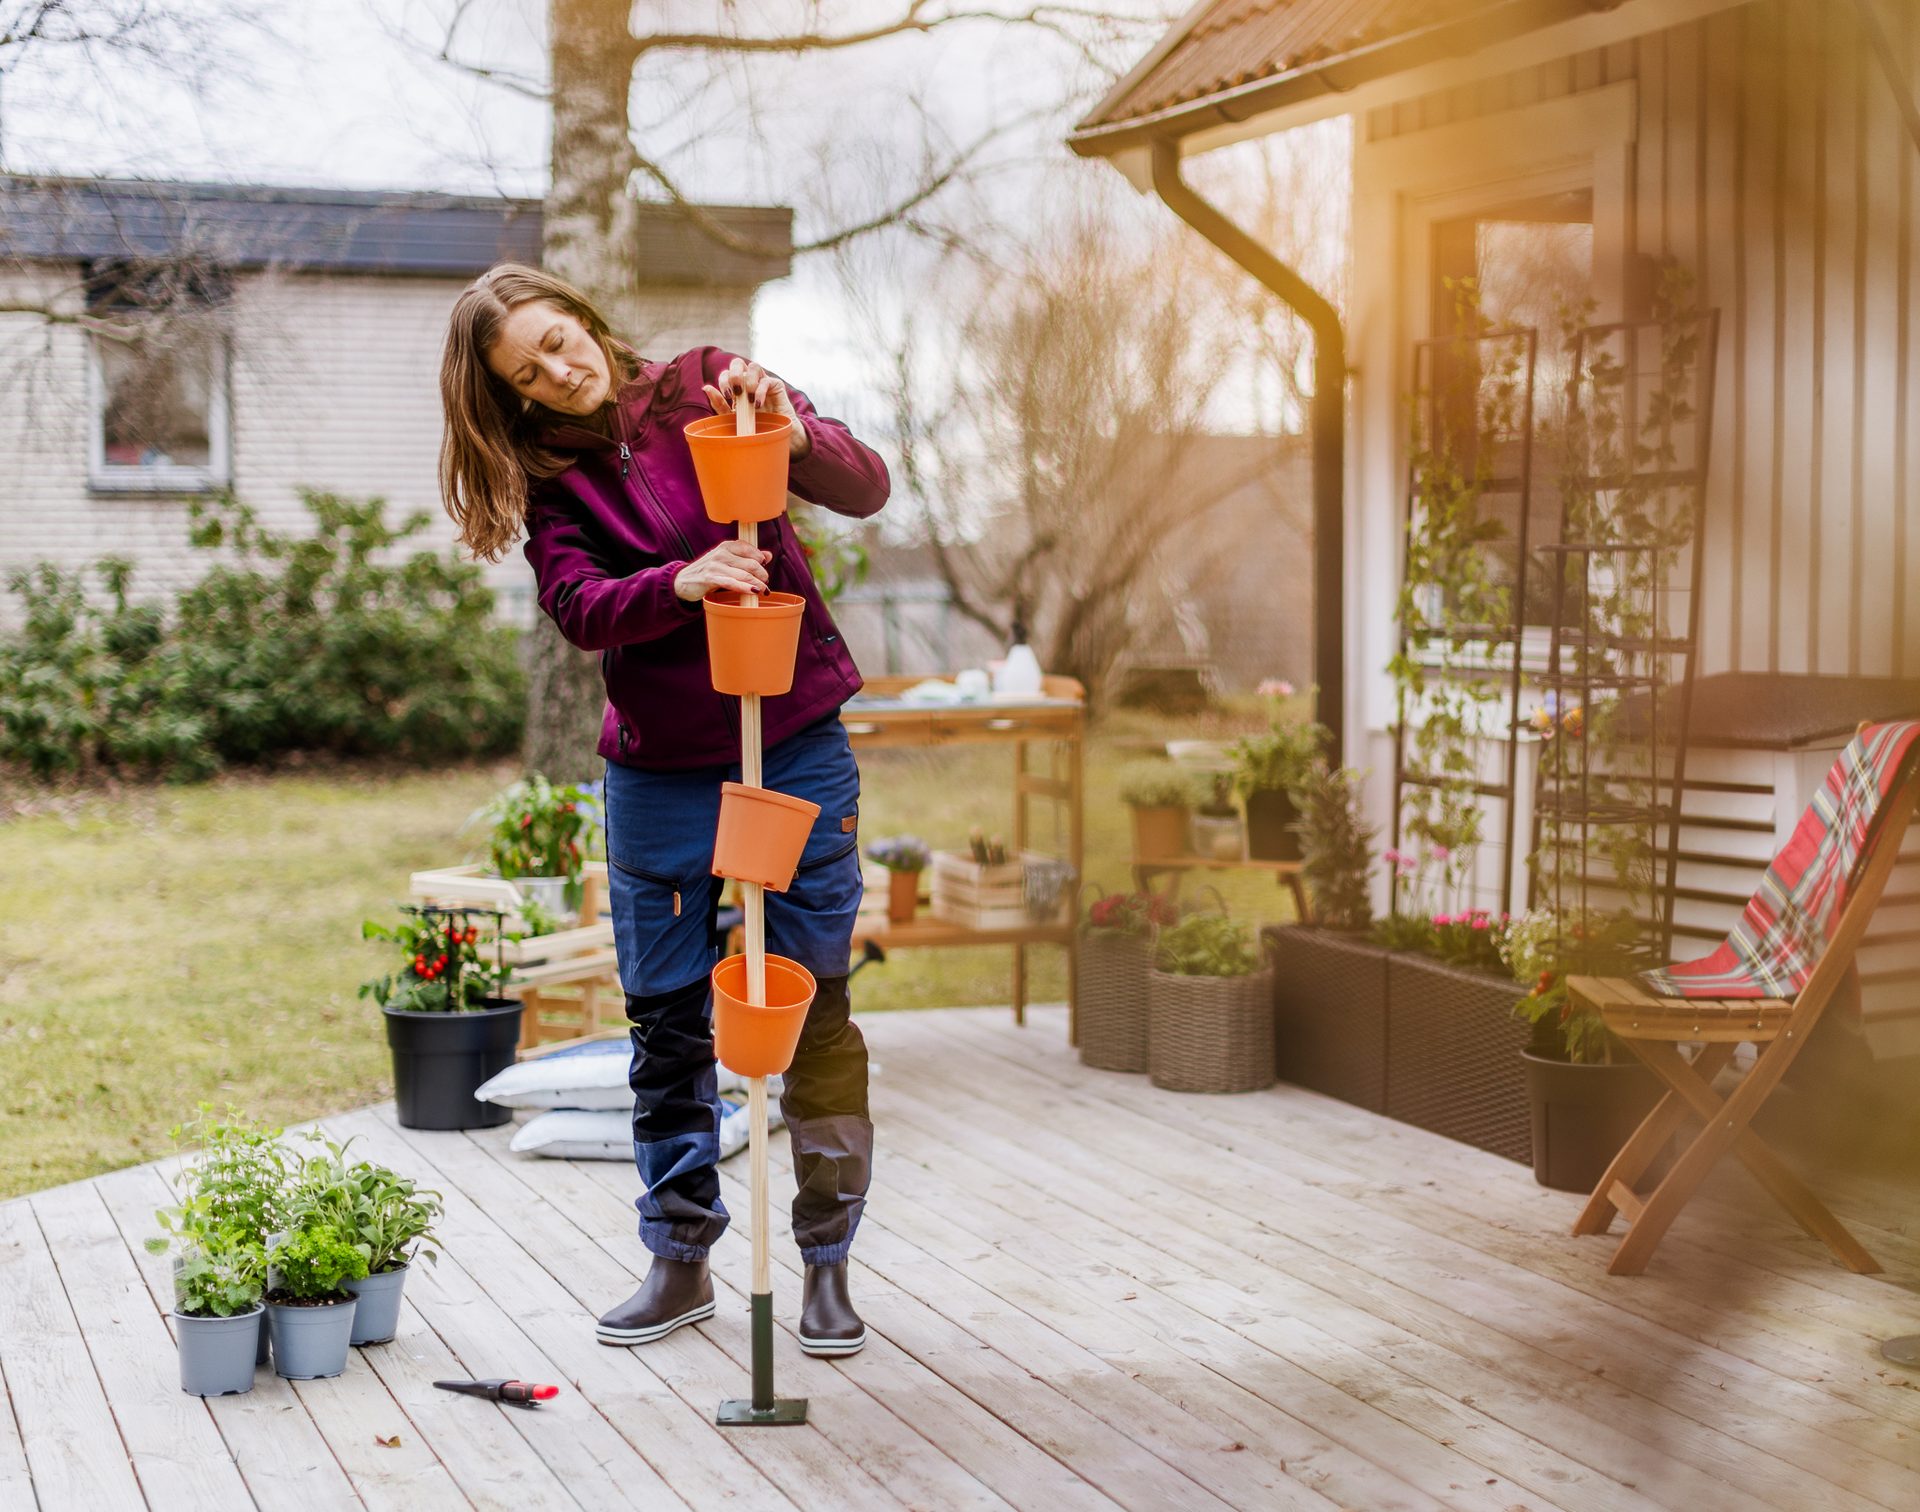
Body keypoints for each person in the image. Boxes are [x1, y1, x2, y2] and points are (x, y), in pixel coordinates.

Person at [437, 263, 888, 1356]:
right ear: (514, 396)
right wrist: (678, 584)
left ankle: (823, 1266)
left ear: (584, 319)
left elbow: (863, 485)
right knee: (669, 1024)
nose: (559, 367)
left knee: (813, 1001)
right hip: (659, 774)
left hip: (791, 744)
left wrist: (785, 428)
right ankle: (680, 1259)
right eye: (528, 370)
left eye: (560, 337)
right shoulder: (555, 488)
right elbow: (580, 609)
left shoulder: (707, 389)